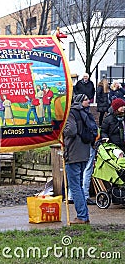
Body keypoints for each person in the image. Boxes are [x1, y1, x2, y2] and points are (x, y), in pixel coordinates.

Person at [63, 94, 94, 224]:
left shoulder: (71, 113)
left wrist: (61, 130)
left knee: (75, 186)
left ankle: (81, 216)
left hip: (74, 152)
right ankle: (84, 215)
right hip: (84, 152)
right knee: (79, 185)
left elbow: (71, 131)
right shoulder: (85, 113)